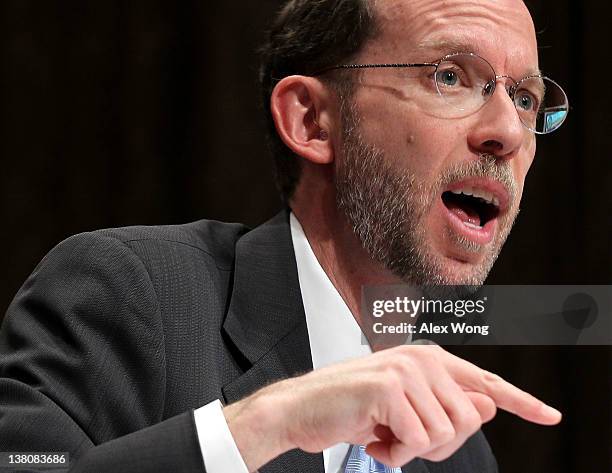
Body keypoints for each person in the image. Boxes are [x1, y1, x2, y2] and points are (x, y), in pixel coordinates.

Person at [0, 0, 569, 472]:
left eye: (524, 99)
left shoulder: (457, 450)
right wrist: (267, 422)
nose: (506, 133)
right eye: (449, 76)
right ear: (311, 120)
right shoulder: (131, 292)